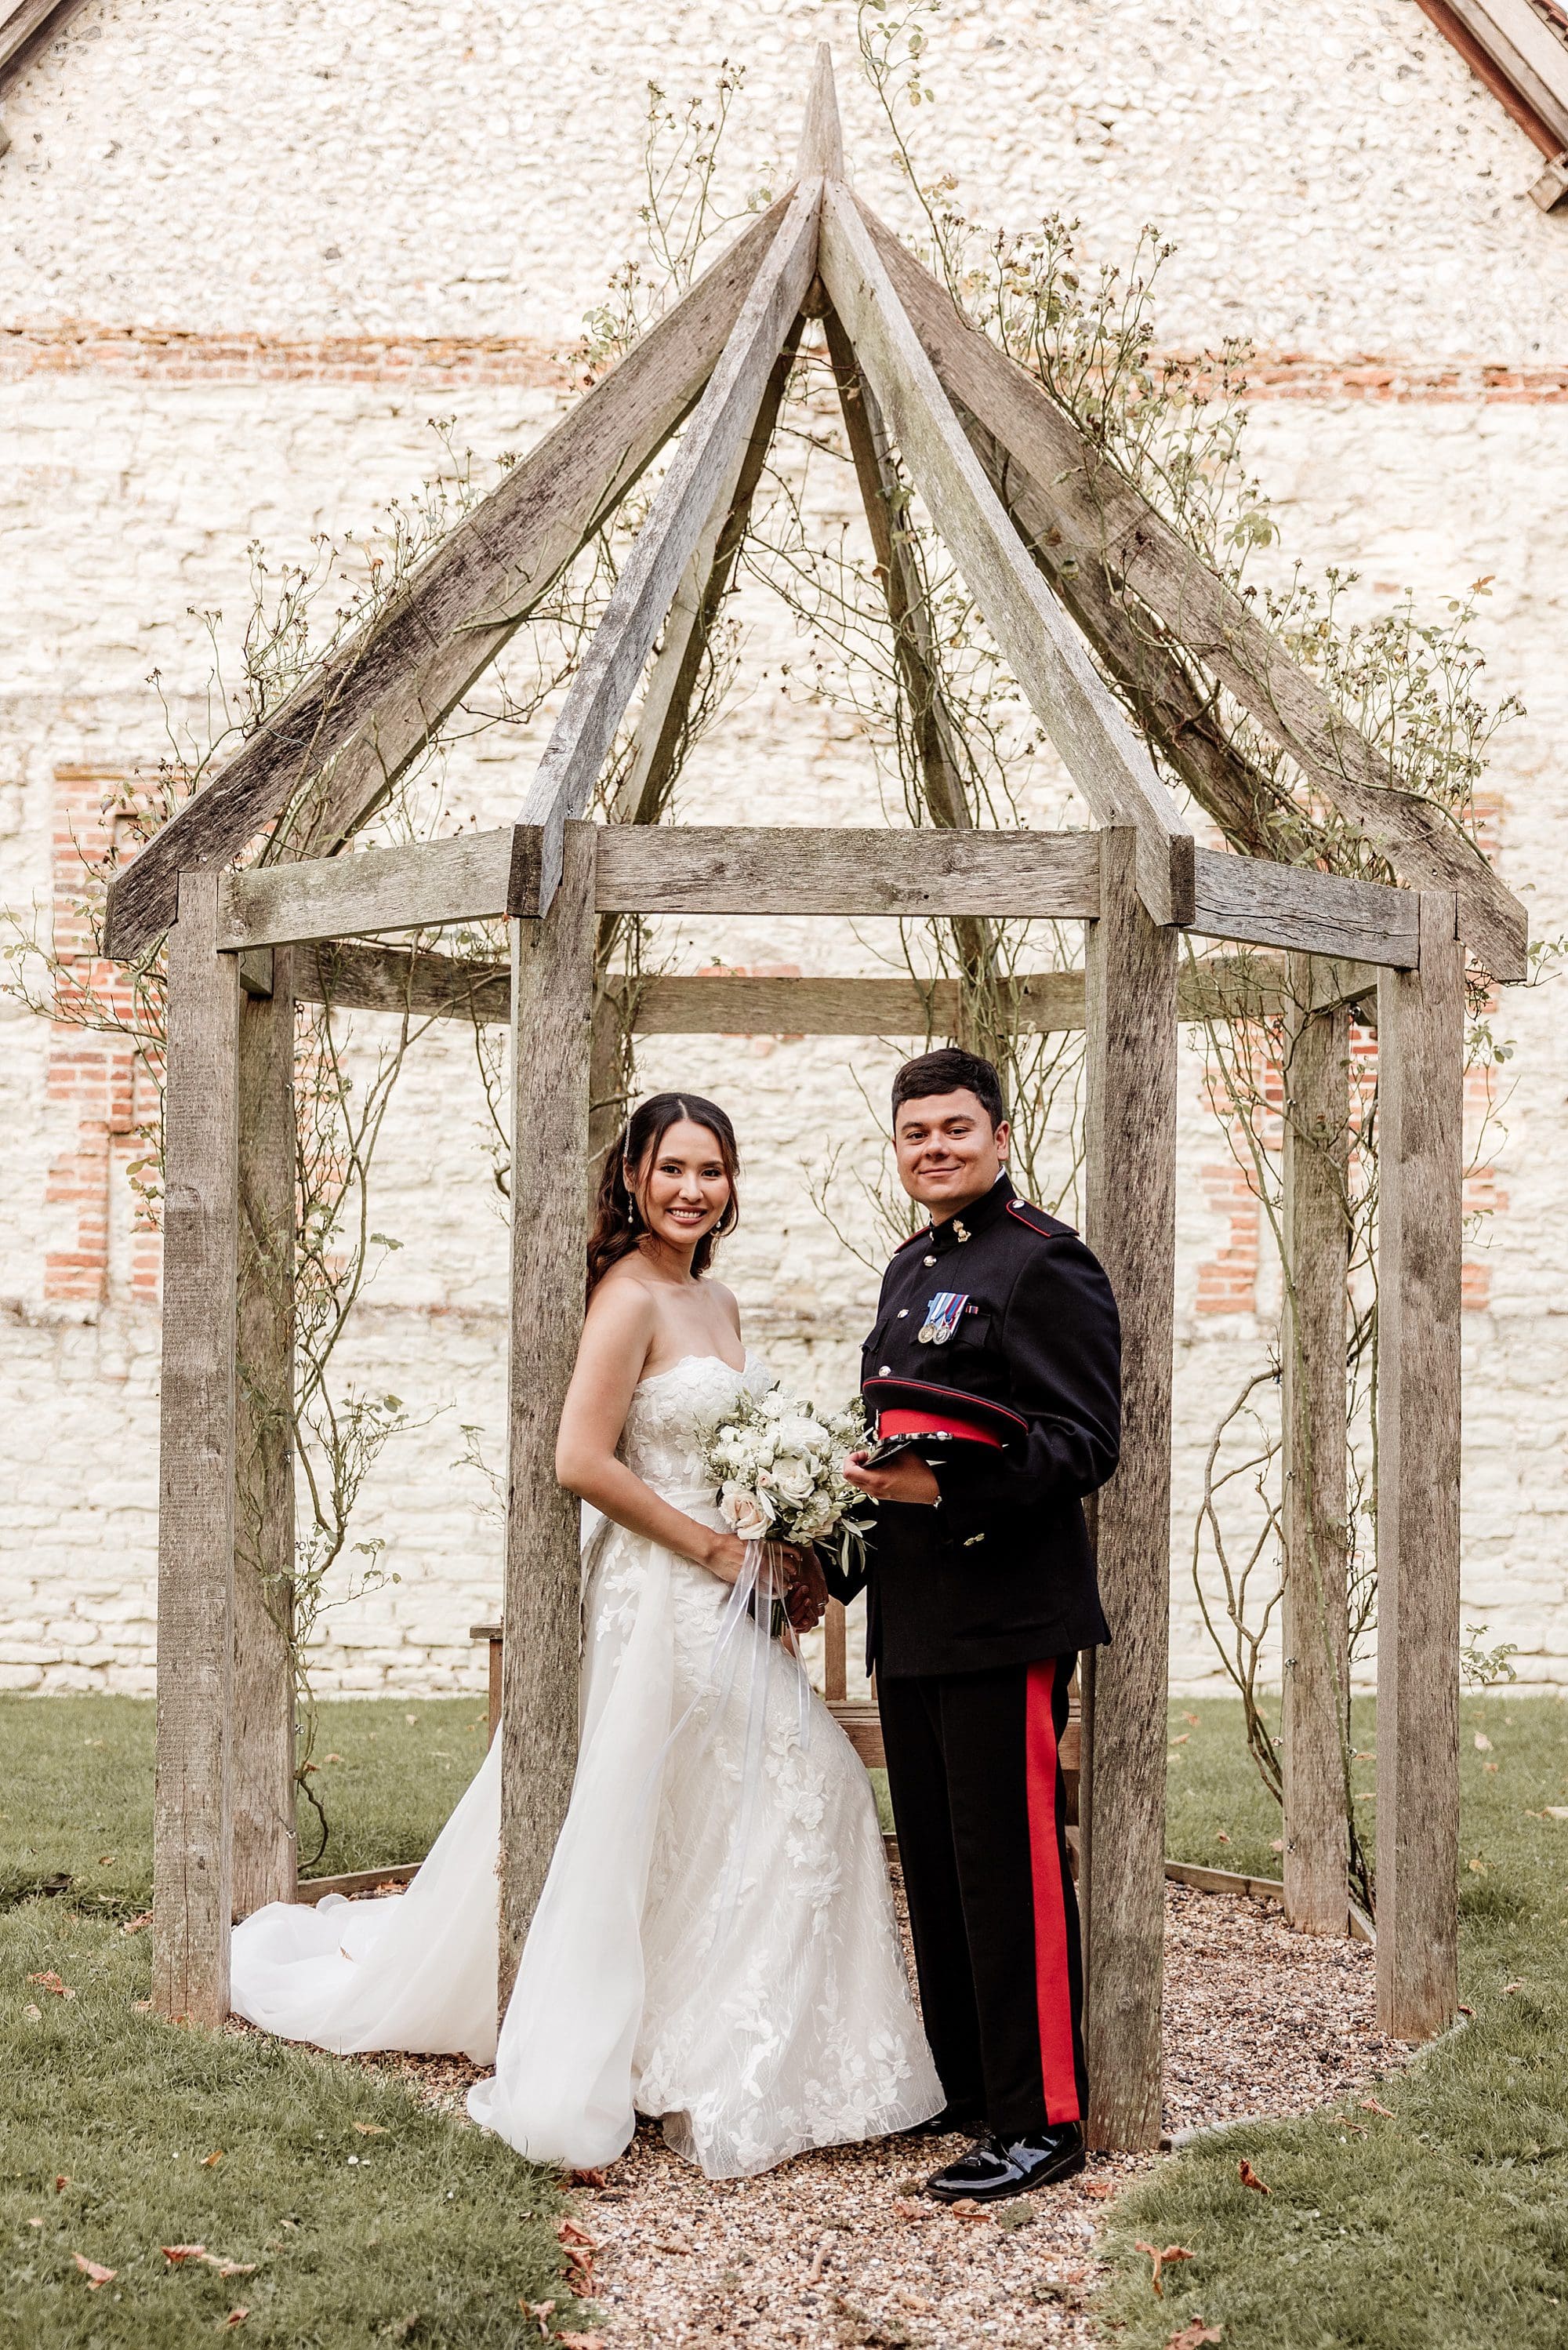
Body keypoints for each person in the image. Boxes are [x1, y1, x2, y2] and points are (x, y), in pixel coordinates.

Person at [230, 1091, 942, 2178]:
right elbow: (581, 1459)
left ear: (732, 1186)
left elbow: (734, 1455)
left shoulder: (717, 1298)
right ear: (632, 1177)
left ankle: (717, 2040)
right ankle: (692, 2048)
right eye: (672, 1169)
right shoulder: (626, 1294)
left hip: (730, 1581)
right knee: (791, 1783)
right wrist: (714, 1553)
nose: (692, 1189)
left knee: (744, 1797)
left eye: (711, 1170)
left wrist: (781, 1542)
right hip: (661, 1589)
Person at [834, 1047, 1121, 2206]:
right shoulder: (912, 1268)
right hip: (913, 1615)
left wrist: (946, 1488)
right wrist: (829, 1552)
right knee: (944, 1869)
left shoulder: (1047, 1262)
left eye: (956, 1128)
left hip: (1005, 1613)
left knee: (1010, 1871)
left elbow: (1084, 1442)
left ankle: (1042, 2118)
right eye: (916, 1133)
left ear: (1000, 1137)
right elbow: (892, 1441)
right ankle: (970, 2088)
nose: (935, 1148)